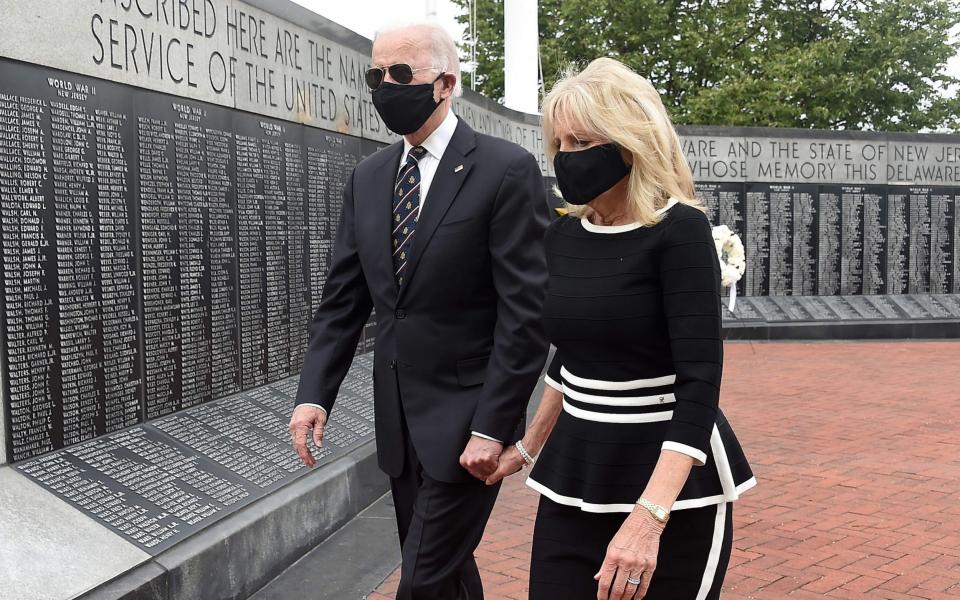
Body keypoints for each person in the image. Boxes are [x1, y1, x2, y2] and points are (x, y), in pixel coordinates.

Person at [288, 21, 550, 600]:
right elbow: (343, 302)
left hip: (469, 425)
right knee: (447, 574)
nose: (385, 86)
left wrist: (493, 425)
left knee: (423, 581)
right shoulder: (369, 177)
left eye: (400, 74)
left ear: (445, 84)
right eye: (375, 74)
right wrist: (314, 395)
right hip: (400, 426)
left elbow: (525, 315)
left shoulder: (505, 170)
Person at [486, 58, 756, 600]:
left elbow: (699, 382)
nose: (566, 156)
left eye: (583, 140)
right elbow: (574, 356)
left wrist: (648, 519)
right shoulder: (564, 234)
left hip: (669, 486)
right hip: (576, 469)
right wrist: (529, 446)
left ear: (628, 141)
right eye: (559, 143)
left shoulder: (679, 231)